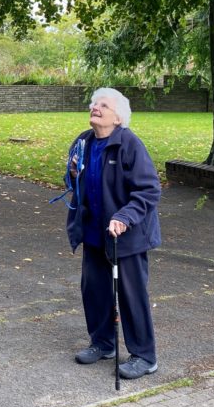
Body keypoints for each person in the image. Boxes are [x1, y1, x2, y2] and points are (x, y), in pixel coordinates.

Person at [61, 87, 161, 380]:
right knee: (94, 291)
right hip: (93, 231)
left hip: (126, 235)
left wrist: (124, 217)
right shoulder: (83, 141)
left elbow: (148, 189)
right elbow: (71, 180)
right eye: (94, 104)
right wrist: (72, 174)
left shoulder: (129, 144)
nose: (95, 108)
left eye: (103, 105)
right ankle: (102, 344)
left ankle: (144, 356)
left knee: (132, 297)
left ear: (117, 118)